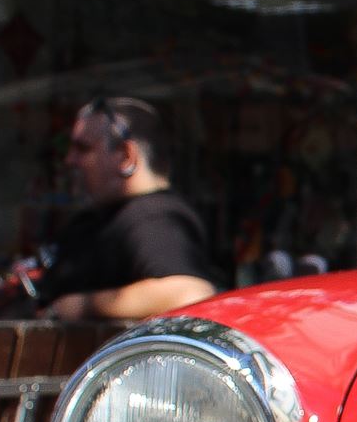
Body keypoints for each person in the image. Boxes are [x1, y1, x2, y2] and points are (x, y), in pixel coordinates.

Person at [38, 97, 229, 321]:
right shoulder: (102, 216)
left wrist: (81, 306)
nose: (70, 160)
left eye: (83, 148)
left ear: (126, 156)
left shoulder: (153, 216)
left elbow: (187, 292)